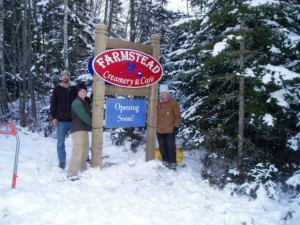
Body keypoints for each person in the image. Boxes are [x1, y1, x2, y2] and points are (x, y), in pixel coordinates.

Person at [50, 70, 78, 169]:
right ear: (61, 78)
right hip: (61, 120)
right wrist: (53, 117)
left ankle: (82, 158)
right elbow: (53, 104)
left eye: (67, 75)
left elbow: (79, 102)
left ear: (69, 77)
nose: (65, 77)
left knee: (78, 141)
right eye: (63, 76)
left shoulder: (74, 89)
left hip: (73, 120)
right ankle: (62, 161)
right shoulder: (57, 89)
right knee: (60, 142)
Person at [67, 83, 92, 181]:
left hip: (83, 129)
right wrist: (94, 125)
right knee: (78, 150)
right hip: (78, 130)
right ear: (78, 92)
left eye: (85, 91)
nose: (83, 92)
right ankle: (72, 172)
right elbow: (84, 116)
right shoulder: (77, 102)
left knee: (85, 150)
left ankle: (83, 168)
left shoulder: (84, 102)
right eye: (81, 91)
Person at [156, 84, 181, 170]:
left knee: (170, 147)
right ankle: (165, 160)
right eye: (161, 93)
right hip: (159, 129)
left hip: (170, 129)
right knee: (162, 146)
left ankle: (172, 162)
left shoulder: (173, 103)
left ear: (168, 93)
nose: (163, 94)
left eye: (164, 92)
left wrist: (176, 127)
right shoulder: (157, 102)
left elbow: (177, 116)